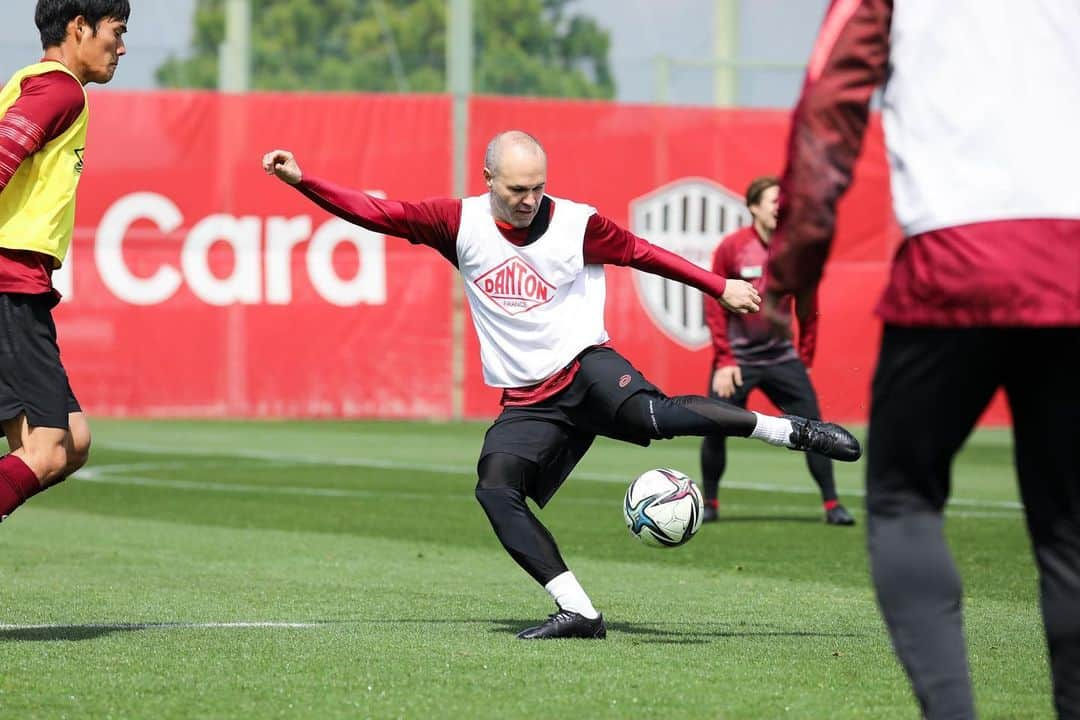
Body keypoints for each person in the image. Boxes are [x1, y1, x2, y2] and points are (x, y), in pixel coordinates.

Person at [263, 130, 861, 640]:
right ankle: (578, 609)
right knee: (495, 490)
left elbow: (646, 254)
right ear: (489, 178)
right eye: (517, 187)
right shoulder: (458, 221)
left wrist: (718, 286)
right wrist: (302, 181)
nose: (529, 199)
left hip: (585, 369)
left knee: (658, 419)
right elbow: (377, 213)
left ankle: (791, 430)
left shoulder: (578, 224)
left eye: (537, 187)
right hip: (529, 399)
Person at [764, 0, 1079, 717]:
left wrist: (793, 267)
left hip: (955, 261)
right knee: (1069, 527)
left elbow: (828, 105)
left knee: (905, 500)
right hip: (1075, 262)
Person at [0, 1, 129, 524]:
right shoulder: (60, 88)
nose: (121, 47)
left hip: (17, 285)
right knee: (50, 448)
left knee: (71, 441)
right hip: (10, 284)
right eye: (116, 32)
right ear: (80, 28)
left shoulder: (38, 84)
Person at [701, 175, 854, 526]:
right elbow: (714, 304)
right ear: (754, 207)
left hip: (782, 358)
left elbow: (808, 307)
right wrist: (724, 359)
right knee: (713, 427)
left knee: (815, 428)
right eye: (773, 201)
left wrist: (806, 359)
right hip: (737, 361)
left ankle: (832, 505)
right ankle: (709, 502)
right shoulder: (732, 247)